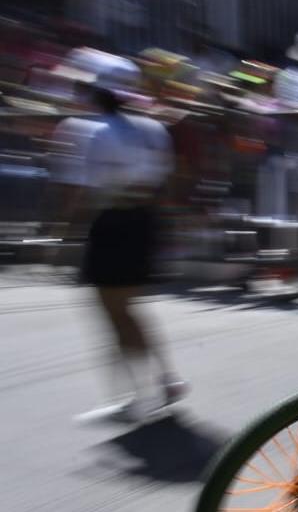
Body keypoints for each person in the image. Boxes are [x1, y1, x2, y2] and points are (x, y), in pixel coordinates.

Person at [72, 57, 187, 422]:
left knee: (113, 312)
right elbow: (167, 180)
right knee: (126, 310)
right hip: (143, 221)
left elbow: (84, 191)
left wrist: (64, 230)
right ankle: (159, 382)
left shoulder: (97, 132)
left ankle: (133, 394)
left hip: (113, 221)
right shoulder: (154, 129)